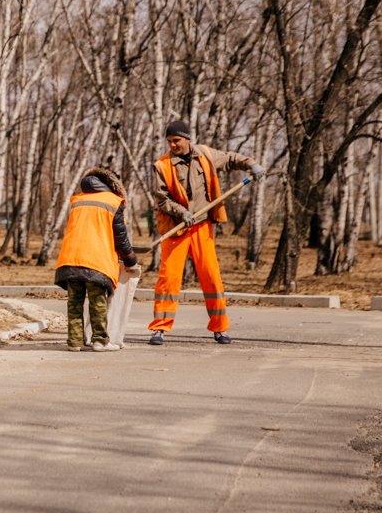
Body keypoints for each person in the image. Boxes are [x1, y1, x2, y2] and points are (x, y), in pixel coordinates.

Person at [147, 120, 263, 346]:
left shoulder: (205, 154)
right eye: (169, 142)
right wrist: (181, 212)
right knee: (168, 280)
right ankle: (160, 328)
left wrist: (252, 165)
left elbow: (230, 158)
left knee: (211, 277)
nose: (173, 145)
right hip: (175, 228)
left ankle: (219, 328)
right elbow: (162, 199)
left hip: (201, 226)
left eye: (177, 141)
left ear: (187, 139)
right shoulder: (162, 165)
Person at [54, 167, 139, 352]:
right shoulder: (114, 202)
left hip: (71, 258)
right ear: (112, 184)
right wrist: (131, 259)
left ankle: (74, 342)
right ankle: (100, 340)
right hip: (96, 259)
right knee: (97, 301)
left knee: (74, 302)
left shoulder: (77, 200)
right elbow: (120, 236)